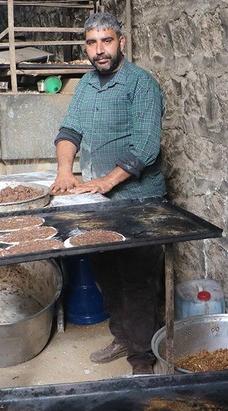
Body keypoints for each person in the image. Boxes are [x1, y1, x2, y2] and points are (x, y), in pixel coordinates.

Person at [50, 13, 166, 375]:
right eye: (92, 43)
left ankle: (142, 359)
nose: (99, 50)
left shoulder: (140, 84)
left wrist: (105, 181)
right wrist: (65, 170)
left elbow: (146, 146)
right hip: (97, 204)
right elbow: (70, 129)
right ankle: (123, 338)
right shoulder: (86, 85)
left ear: (121, 42)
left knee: (137, 280)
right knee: (105, 273)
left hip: (138, 200)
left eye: (106, 41)